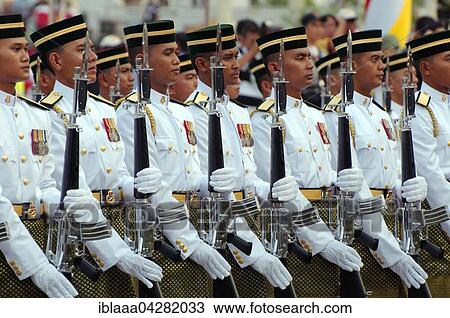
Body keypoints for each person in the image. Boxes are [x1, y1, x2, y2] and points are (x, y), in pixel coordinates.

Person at [30, 14, 164, 297]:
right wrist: (115, 252)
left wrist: (136, 186)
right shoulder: (50, 115)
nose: (93, 57)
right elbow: (71, 191)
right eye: (82, 50)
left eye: (91, 48)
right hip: (81, 234)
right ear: (55, 61)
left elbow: (120, 176)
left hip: (120, 225)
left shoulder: (104, 110)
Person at [116, 20, 235, 297]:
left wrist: (210, 184)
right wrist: (189, 242)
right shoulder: (131, 111)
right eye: (167, 53)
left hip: (196, 222)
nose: (176, 59)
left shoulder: (181, 112)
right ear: (142, 60)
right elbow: (153, 189)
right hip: (163, 231)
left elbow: (189, 176)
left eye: (176, 52)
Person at [185, 23, 302, 297]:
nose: (236, 64)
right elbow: (204, 188)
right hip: (212, 228)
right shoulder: (189, 114)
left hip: (250, 222)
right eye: (226, 58)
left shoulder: (238, 113)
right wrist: (252, 250)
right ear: (202, 64)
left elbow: (248, 179)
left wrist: (267, 189)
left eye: (236, 56)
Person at [251, 26, 365, 297]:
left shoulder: (316, 116)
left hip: (334, 220)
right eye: (300, 58)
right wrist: (321, 239)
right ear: (276, 68)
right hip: (297, 231)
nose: (310, 64)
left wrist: (343, 182)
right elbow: (281, 191)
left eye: (309, 57)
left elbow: (325, 174)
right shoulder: (264, 119)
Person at [328, 29, 429, 296]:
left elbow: (393, 170)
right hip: (365, 231)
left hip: (393, 223)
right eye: (374, 59)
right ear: (350, 66)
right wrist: (388, 250)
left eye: (381, 59)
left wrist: (406, 187)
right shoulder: (338, 114)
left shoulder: (380, 114)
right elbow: (356, 190)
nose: (382, 66)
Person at [0, 13, 85, 298]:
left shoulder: (37, 116)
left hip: (42, 240)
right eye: (15, 49)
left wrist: (64, 203)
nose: (26, 56)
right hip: (9, 247)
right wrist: (34, 264)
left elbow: (45, 184)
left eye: (25, 48)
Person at [408, 30, 450, 296]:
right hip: (440, 218)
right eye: (449, 58)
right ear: (426, 67)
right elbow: (432, 177)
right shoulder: (420, 110)